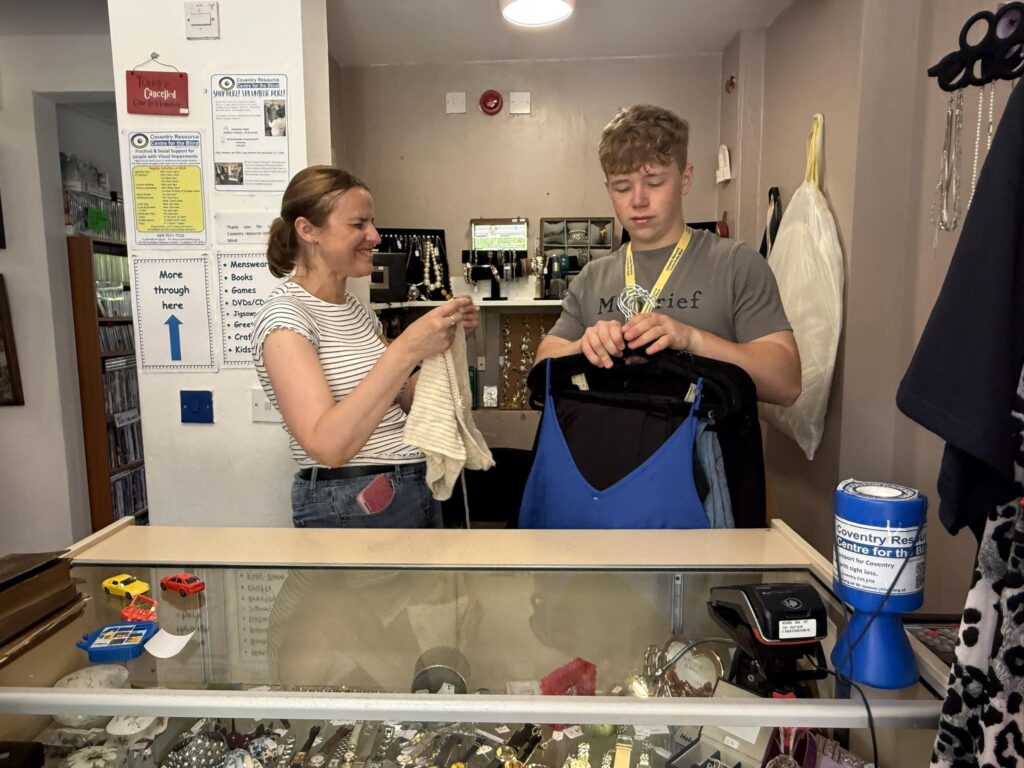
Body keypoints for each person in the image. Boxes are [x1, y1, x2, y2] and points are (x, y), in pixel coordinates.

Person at [252, 165, 479, 528]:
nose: (374, 235)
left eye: (372, 223)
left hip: (408, 488)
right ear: (308, 230)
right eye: (358, 224)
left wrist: (442, 343)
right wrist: (406, 348)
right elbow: (328, 446)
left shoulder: (354, 310)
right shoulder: (285, 320)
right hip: (355, 502)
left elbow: (403, 398)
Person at [536, 104, 800, 406]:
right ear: (609, 189)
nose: (638, 200)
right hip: (605, 448)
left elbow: (787, 384)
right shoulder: (592, 277)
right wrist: (582, 347)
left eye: (654, 182)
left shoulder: (736, 264)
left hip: (701, 449)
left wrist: (691, 340)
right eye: (622, 187)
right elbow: (541, 364)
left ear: (685, 179)